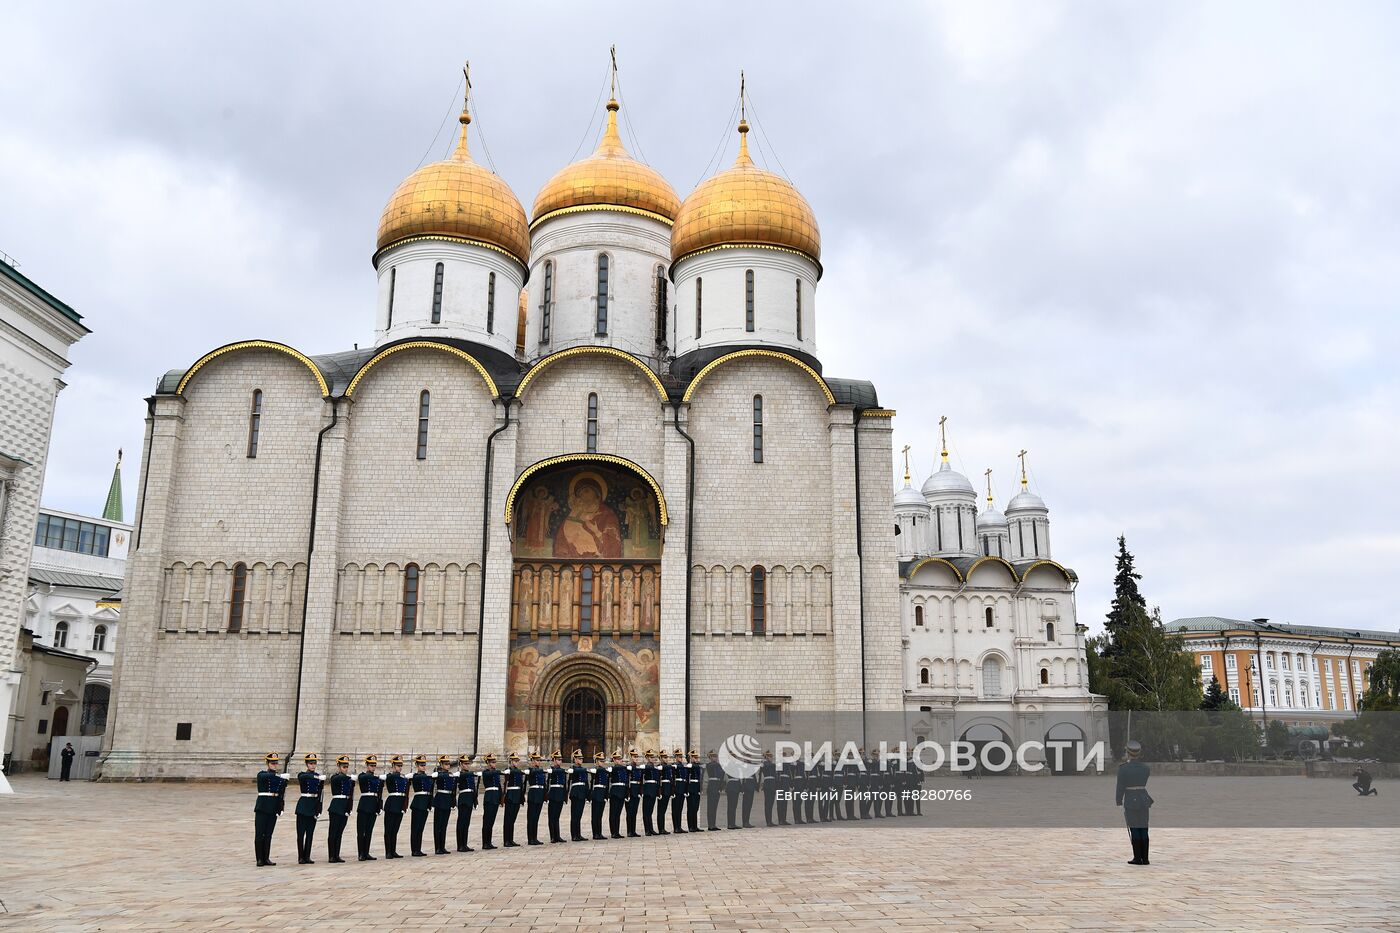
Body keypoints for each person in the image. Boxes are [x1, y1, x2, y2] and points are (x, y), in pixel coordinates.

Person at [1115, 740, 1153, 866]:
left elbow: (1120, 786)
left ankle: (1137, 857)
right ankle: (1145, 858)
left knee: (1135, 828)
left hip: (1131, 800)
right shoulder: (1145, 768)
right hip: (1143, 799)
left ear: (1128, 753)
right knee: (1144, 828)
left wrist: (1119, 801)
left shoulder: (1123, 769)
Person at [253, 752, 289, 867]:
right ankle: (259, 858)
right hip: (262, 807)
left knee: (268, 834)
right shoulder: (262, 774)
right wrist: (279, 776)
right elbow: (264, 777)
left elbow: (281, 794)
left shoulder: (279, 778)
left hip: (273, 807)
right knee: (259, 834)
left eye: (275, 763)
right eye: (272, 763)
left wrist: (281, 807)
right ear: (267, 763)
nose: (274, 765)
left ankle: (266, 857)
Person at [294, 753, 325, 865]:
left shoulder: (318, 776)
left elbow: (321, 793)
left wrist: (319, 808)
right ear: (307, 764)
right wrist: (316, 777)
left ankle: (307, 856)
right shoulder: (304, 775)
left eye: (314, 763)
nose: (313, 765)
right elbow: (302, 777)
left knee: (310, 833)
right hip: (303, 805)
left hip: (313, 805)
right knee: (300, 834)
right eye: (310, 763)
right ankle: (300, 856)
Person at [326, 754, 355, 863]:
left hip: (344, 807)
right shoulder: (336, 777)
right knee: (333, 832)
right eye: (343, 767)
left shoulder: (348, 779)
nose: (345, 769)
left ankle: (337, 855)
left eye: (347, 767)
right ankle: (331, 855)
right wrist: (349, 778)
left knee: (339, 832)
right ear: (338, 767)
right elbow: (337, 779)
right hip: (336, 806)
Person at [355, 755, 382, 861]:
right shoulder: (364, 776)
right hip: (364, 805)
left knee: (369, 830)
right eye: (371, 765)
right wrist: (378, 778)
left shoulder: (377, 779)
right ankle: (361, 853)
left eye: (374, 765)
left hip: (373, 805)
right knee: (361, 831)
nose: (373, 767)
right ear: (367, 765)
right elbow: (362, 778)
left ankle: (366, 852)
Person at [382, 755, 408, 858]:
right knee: (388, 829)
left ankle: (393, 850)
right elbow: (391, 777)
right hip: (392, 804)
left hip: (400, 804)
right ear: (393, 766)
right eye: (398, 765)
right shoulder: (391, 776)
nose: (400, 767)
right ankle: (388, 851)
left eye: (401, 765)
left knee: (395, 829)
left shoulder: (403, 777)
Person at [408, 754, 433, 857]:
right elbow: (419, 778)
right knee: (415, 828)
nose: (423, 767)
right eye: (421, 765)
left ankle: (418, 848)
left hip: (425, 803)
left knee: (421, 828)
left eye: (424, 765)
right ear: (417, 766)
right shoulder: (416, 776)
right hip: (418, 803)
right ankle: (414, 850)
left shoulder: (427, 777)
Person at [431, 755, 457, 855]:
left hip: (447, 800)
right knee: (438, 825)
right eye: (445, 764)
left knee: (444, 825)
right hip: (440, 799)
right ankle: (437, 847)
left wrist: (453, 802)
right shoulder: (438, 774)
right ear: (441, 765)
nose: (448, 766)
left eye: (448, 764)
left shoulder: (450, 775)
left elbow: (453, 790)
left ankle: (442, 846)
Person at [502, 752, 526, 847]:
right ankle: (506, 840)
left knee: (512, 819)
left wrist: (521, 797)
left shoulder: (518, 771)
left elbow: (521, 784)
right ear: (510, 761)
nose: (516, 763)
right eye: (514, 761)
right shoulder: (508, 770)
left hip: (517, 796)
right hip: (510, 796)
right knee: (507, 819)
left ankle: (511, 839)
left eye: (517, 761)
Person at [455, 754, 477, 852]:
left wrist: (475, 799)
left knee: (466, 823)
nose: (467, 765)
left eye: (468, 763)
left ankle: (465, 844)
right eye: (465, 764)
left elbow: (473, 787)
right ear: (460, 764)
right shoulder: (459, 774)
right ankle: (460, 845)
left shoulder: (469, 774)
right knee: (461, 822)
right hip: (463, 799)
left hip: (469, 799)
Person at [479, 753, 501, 849]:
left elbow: (499, 786)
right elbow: (491, 774)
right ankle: (485, 843)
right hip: (489, 797)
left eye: (495, 762)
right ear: (487, 763)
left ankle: (489, 842)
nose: (494, 764)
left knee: (491, 821)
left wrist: (501, 798)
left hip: (495, 797)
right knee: (487, 821)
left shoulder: (495, 772)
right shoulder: (486, 772)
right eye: (492, 762)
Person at [567, 750, 590, 841]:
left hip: (582, 793)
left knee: (579, 815)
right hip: (576, 793)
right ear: (575, 759)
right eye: (579, 758)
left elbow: (586, 782)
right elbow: (574, 772)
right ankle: (574, 835)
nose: (581, 760)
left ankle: (578, 834)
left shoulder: (582, 769)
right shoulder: (572, 768)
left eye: (581, 759)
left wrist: (588, 795)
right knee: (574, 815)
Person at [525, 752, 547, 845]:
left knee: (536, 818)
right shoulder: (530, 770)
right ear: (532, 761)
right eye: (537, 760)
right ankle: (530, 838)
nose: (538, 762)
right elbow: (532, 774)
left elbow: (544, 783)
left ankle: (535, 837)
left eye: (539, 760)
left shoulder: (540, 771)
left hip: (540, 794)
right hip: (533, 794)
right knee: (531, 818)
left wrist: (545, 795)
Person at [547, 751, 569, 843]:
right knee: (552, 816)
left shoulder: (562, 771)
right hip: (553, 794)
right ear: (554, 760)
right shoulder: (551, 770)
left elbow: (564, 784)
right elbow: (548, 783)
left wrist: (565, 796)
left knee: (557, 816)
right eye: (558, 760)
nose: (560, 761)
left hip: (560, 794)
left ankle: (557, 835)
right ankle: (552, 836)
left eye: (561, 760)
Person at [607, 751, 629, 838]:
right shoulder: (613, 768)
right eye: (618, 759)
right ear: (614, 760)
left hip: (622, 791)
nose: (620, 761)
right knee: (613, 813)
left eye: (620, 759)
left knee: (618, 813)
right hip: (615, 792)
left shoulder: (623, 768)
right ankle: (613, 832)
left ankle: (617, 831)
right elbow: (614, 769)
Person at [589, 751, 609, 840]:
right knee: (595, 814)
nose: (602, 762)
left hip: (602, 792)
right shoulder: (596, 770)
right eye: (600, 761)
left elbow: (606, 784)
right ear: (596, 761)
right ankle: (595, 833)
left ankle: (599, 833)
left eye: (603, 761)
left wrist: (605, 795)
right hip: (596, 793)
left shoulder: (604, 770)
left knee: (600, 815)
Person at [707, 750, 728, 830]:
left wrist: (721, 787)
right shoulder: (709, 765)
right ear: (710, 757)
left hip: (717, 786)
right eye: (713, 756)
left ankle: (713, 824)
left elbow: (722, 775)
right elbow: (714, 767)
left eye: (715, 756)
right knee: (710, 806)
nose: (715, 758)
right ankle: (710, 825)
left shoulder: (718, 765)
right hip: (712, 786)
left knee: (714, 806)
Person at [641, 750, 660, 835]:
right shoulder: (647, 767)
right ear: (647, 758)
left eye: (653, 757)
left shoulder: (654, 767)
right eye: (651, 757)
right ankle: (647, 830)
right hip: (648, 790)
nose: (653, 759)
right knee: (646, 811)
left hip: (653, 790)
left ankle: (651, 829)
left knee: (650, 811)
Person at [625, 748, 643, 837]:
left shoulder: (638, 768)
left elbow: (640, 780)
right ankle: (629, 831)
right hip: (630, 791)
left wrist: (640, 792)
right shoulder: (628, 767)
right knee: (630, 812)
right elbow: (627, 781)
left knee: (634, 812)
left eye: (637, 757)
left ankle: (633, 830)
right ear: (630, 757)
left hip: (636, 791)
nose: (636, 758)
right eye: (634, 757)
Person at [670, 747, 687, 833]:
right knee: (675, 809)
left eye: (681, 757)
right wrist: (672, 790)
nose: (681, 758)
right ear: (676, 757)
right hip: (676, 789)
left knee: (679, 809)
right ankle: (675, 827)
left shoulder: (683, 766)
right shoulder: (674, 766)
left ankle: (679, 826)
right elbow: (672, 779)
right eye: (679, 756)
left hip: (682, 789)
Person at [655, 750, 672, 835]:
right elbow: (658, 780)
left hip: (667, 789)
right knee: (660, 811)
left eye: (667, 757)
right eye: (665, 757)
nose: (666, 759)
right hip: (662, 790)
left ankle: (663, 827)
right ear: (660, 758)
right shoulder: (659, 767)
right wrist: (658, 792)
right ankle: (660, 828)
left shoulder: (667, 767)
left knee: (664, 810)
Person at [686, 749, 703, 832]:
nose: (697, 759)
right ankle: (690, 826)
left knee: (696, 808)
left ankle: (695, 826)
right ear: (691, 758)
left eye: (697, 758)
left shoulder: (697, 766)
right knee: (691, 808)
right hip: (691, 788)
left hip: (697, 788)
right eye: (695, 758)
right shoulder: (690, 766)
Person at [760, 751, 777, 826]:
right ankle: (768, 821)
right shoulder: (765, 764)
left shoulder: (771, 764)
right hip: (767, 785)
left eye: (772, 757)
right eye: (770, 757)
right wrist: (764, 760)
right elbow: (767, 767)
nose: (772, 758)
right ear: (767, 757)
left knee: (771, 803)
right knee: (767, 804)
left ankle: (770, 820)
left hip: (773, 785)